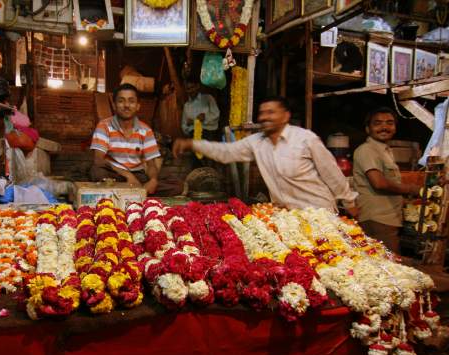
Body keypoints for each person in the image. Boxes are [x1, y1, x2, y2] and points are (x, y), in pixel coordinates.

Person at [173, 96, 359, 215]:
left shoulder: (305, 139)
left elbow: (331, 172)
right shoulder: (257, 142)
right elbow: (226, 152)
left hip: (319, 214)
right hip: (287, 217)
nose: (264, 117)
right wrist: (192, 143)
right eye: (261, 113)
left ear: (285, 116)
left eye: (271, 112)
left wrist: (349, 201)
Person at [90, 83, 180, 196]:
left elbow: (151, 164)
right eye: (121, 101)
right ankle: (138, 191)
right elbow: (99, 160)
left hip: (138, 175)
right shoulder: (104, 126)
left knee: (176, 184)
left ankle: (132, 190)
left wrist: (153, 180)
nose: (126, 105)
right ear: (114, 105)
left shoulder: (146, 130)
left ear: (138, 106)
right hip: (113, 174)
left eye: (131, 101)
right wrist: (128, 175)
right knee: (98, 173)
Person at [353, 107, 421, 253]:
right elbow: (379, 183)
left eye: (389, 123)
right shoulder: (367, 150)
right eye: (377, 123)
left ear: (395, 128)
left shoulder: (385, 151)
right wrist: (412, 189)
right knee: (387, 268)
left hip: (388, 219)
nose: (384, 127)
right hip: (378, 220)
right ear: (367, 129)